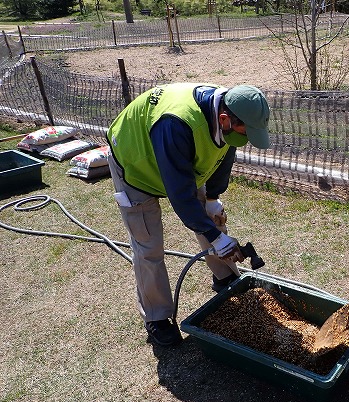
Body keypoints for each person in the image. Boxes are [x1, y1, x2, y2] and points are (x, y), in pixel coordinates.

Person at [106, 83, 270, 347]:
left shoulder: (230, 111)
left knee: (210, 219)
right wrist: (214, 237)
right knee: (147, 244)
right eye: (245, 132)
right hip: (136, 162)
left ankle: (225, 276)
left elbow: (223, 157)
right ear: (225, 119)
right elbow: (180, 195)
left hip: (177, 158)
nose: (246, 138)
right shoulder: (177, 124)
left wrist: (214, 199)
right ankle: (157, 317)